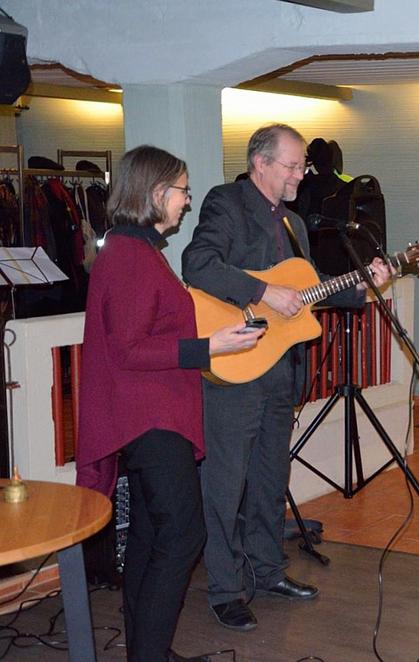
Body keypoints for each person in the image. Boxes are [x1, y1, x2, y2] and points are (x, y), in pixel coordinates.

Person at [181, 123, 392, 631]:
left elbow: (307, 292)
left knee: (271, 480)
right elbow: (198, 264)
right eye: (292, 166)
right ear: (261, 163)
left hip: (280, 371)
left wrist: (365, 285)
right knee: (225, 485)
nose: (301, 174)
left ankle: (268, 570)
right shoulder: (227, 203)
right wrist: (261, 292)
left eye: (302, 166)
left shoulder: (295, 222)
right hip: (234, 370)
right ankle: (226, 589)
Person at [76, 145, 262, 661]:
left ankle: (147, 650)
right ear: (156, 193)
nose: (187, 200)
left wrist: (212, 340)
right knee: (183, 534)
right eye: (182, 190)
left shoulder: (133, 249)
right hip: (150, 420)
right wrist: (208, 347)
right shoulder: (131, 256)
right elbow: (129, 349)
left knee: (150, 535)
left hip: (150, 416)